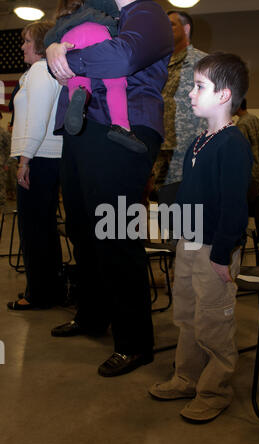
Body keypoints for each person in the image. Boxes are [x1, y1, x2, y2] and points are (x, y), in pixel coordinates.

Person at [46, 0, 173, 377]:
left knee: (115, 231)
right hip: (84, 126)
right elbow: (60, 60)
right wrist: (55, 47)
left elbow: (122, 58)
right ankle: (92, 315)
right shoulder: (96, 12)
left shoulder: (147, 12)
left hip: (124, 127)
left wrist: (67, 56)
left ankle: (135, 343)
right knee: (82, 228)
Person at [149, 52, 253, 423]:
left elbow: (234, 207)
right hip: (189, 244)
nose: (190, 94)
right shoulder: (199, 142)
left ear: (224, 95)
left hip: (214, 251)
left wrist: (223, 254)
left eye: (198, 87)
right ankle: (186, 377)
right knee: (187, 317)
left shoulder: (233, 144)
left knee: (213, 322)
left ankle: (215, 391)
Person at [7, 21, 65, 311]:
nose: (23, 46)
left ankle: (39, 293)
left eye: (27, 41)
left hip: (39, 158)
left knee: (34, 229)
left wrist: (24, 160)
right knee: (42, 227)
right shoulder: (42, 72)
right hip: (43, 157)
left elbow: (38, 119)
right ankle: (49, 289)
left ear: (41, 44)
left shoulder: (42, 71)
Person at [44, 0, 146, 153]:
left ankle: (78, 102)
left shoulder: (61, 21)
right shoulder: (95, 6)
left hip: (68, 40)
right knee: (115, 81)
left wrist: (51, 46)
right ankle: (121, 125)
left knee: (76, 80)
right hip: (96, 31)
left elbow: (47, 40)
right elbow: (116, 12)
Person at [150, 10, 207, 197]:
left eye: (171, 25)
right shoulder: (155, 64)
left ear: (186, 29)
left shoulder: (203, 63)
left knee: (185, 201)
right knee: (158, 203)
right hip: (157, 146)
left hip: (186, 148)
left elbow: (210, 109)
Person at [235, 98, 259, 184]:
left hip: (248, 170)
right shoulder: (255, 118)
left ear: (238, 106)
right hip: (258, 168)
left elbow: (242, 151)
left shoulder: (242, 124)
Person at [0, 112, 11, 215]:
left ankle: (1, 211)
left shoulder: (4, 133)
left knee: (1, 187)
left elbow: (8, 150)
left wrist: (6, 163)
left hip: (1, 165)